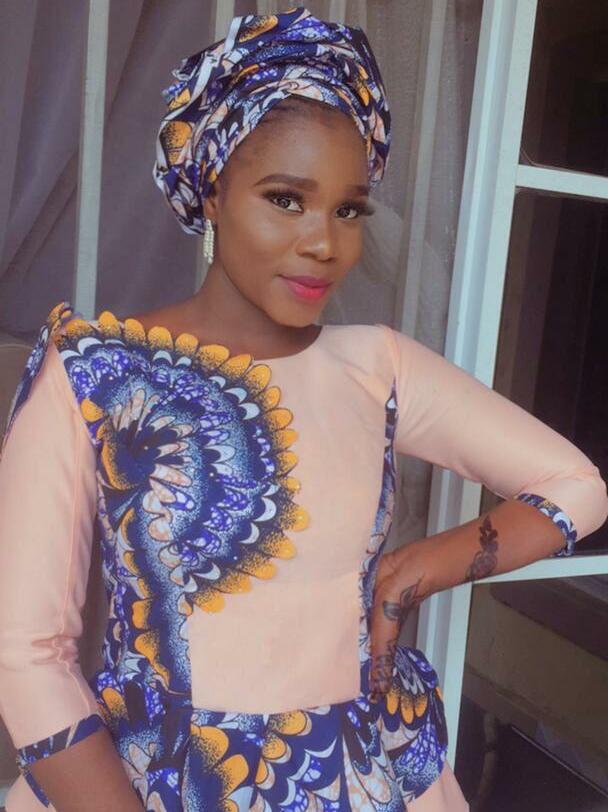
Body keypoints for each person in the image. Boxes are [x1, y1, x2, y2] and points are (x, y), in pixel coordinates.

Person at [0, 6, 606, 811]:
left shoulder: (377, 366)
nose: (325, 242)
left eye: (349, 209)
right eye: (286, 199)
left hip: (357, 774)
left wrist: (412, 573)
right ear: (211, 190)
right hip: (149, 782)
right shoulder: (92, 373)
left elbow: (577, 485)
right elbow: (27, 653)